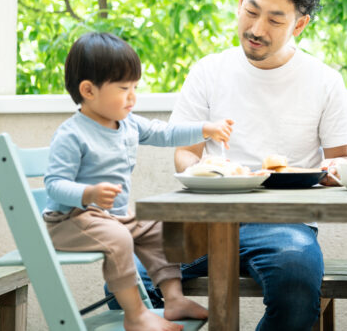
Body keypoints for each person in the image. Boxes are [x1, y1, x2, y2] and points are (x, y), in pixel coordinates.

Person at [135, 0, 347, 331]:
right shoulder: (208, 71)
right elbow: (184, 155)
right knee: (125, 274)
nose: (257, 29)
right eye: (251, 12)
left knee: (296, 286)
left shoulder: (324, 80)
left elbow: (342, 160)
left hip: (284, 225)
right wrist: (205, 169)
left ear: (299, 25)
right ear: (240, 2)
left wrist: (336, 170)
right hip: (205, 221)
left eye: (275, 20)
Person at [44, 32, 233, 331]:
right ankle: (135, 315)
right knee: (119, 239)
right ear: (89, 90)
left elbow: (165, 133)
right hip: (69, 221)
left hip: (112, 217)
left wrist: (205, 129)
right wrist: (88, 192)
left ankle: (173, 299)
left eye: (135, 87)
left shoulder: (128, 123)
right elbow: (54, 184)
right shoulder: (72, 134)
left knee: (160, 228)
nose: (133, 96)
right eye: (123, 88)